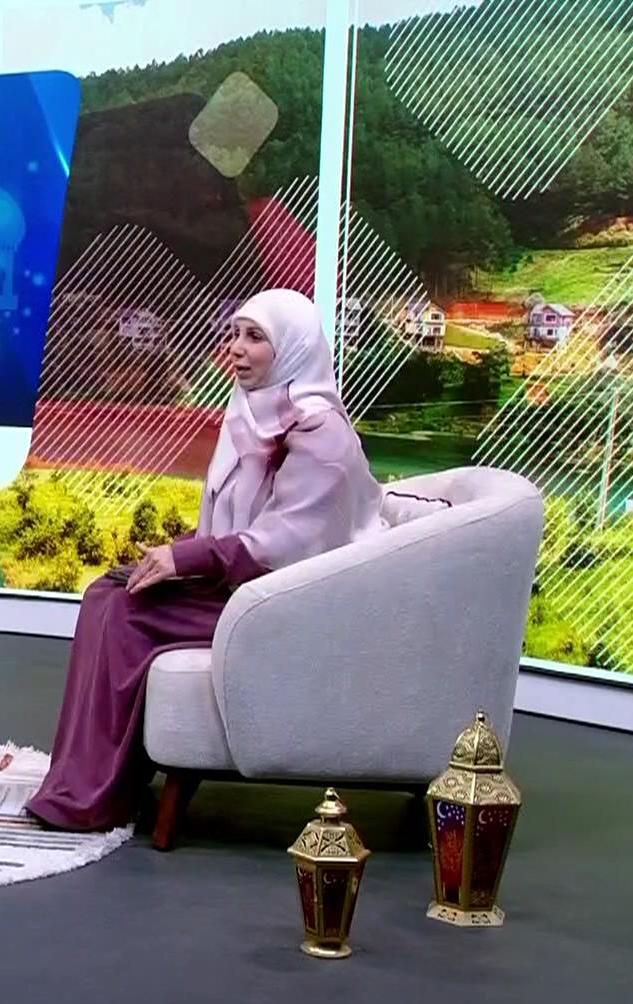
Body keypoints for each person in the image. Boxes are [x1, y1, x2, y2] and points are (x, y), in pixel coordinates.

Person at [24, 289, 383, 832]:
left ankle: (94, 797)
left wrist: (190, 557)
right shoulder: (253, 409)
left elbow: (289, 539)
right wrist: (177, 558)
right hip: (245, 585)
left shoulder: (320, 433)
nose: (236, 348)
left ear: (293, 349)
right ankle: (89, 782)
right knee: (105, 593)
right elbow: (234, 520)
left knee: (126, 613)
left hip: (290, 601)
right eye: (235, 333)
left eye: (255, 337)